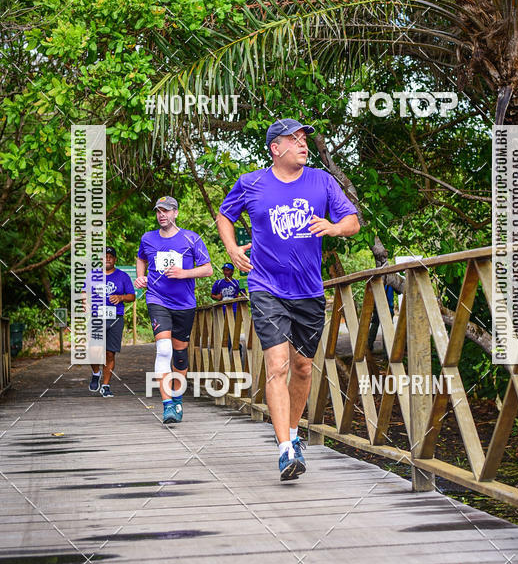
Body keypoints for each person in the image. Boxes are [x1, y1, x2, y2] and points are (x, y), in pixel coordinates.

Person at [216, 118, 360, 481]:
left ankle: (294, 435)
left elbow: (353, 222)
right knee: (277, 365)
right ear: (274, 148)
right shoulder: (251, 184)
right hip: (266, 287)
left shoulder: (321, 181)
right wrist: (232, 249)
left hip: (309, 291)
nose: (302, 144)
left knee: (302, 368)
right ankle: (284, 450)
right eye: (293, 139)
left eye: (304, 139)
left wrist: (333, 227)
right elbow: (224, 215)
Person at [135, 196, 212, 424]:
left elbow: (207, 269)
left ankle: (177, 397)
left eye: (167, 211)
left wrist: (184, 273)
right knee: (164, 350)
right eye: (159, 211)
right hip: (157, 299)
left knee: (179, 355)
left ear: (176, 213)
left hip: (184, 304)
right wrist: (141, 276)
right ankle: (167, 405)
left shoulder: (191, 238)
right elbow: (141, 258)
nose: (162, 215)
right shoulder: (148, 239)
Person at [88, 247, 135, 397]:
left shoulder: (123, 276)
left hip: (115, 317)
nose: (107, 259)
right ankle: (96, 373)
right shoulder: (92, 275)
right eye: (104, 256)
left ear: (115, 259)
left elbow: (132, 296)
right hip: (96, 317)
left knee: (109, 353)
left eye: (110, 256)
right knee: (94, 351)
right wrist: (85, 304)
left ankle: (106, 385)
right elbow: (84, 293)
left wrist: (121, 298)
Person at [367, 280, 396, 357]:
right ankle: (386, 353)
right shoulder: (392, 280)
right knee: (386, 330)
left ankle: (368, 348)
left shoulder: (375, 280)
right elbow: (399, 291)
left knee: (374, 326)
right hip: (388, 309)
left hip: (378, 308)